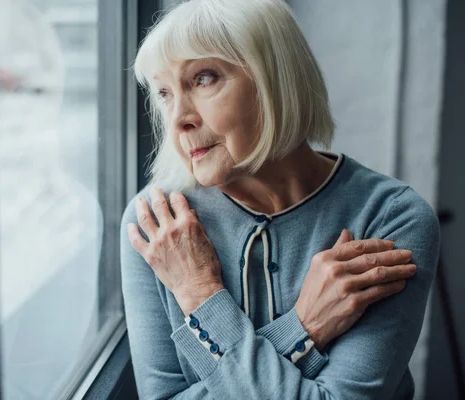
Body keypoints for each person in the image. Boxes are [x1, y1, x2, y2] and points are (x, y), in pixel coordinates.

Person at [120, 0, 440, 398]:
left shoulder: (391, 217)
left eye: (203, 79)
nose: (178, 118)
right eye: (165, 93)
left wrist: (204, 306)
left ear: (275, 79)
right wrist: (302, 328)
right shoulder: (157, 223)